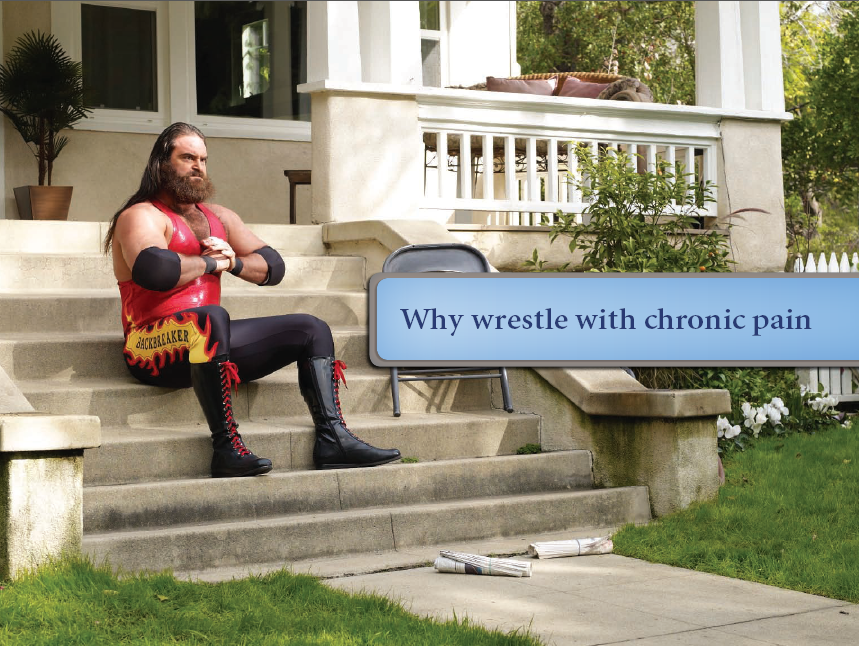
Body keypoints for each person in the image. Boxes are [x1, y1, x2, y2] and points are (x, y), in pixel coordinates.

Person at [104, 122, 401, 478]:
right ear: (161, 163)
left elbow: (272, 266)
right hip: (150, 347)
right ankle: (226, 447)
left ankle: (332, 438)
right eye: (187, 157)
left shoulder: (219, 217)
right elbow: (155, 269)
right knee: (211, 318)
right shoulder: (141, 215)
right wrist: (215, 262)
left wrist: (236, 262)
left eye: (203, 159)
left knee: (311, 328)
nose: (198, 166)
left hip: (207, 345)